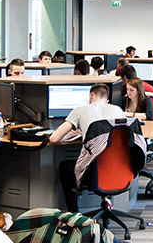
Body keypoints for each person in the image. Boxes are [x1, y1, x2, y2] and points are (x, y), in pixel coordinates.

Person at [48, 84, 129, 212]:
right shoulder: (117, 110)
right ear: (107, 101)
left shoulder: (79, 110)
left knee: (65, 166)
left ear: (91, 96)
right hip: (119, 170)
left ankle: (73, 214)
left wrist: (76, 131)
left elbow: (53, 139)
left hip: (94, 172)